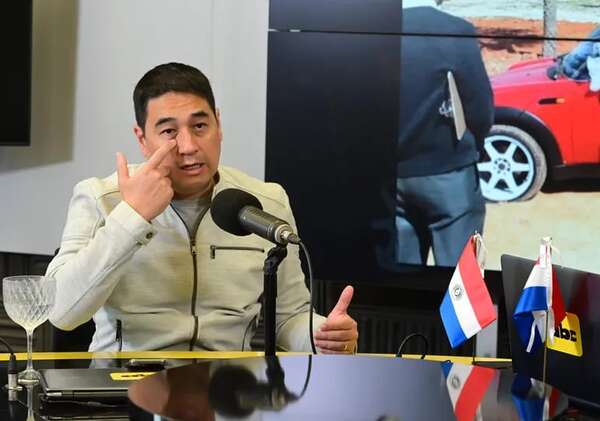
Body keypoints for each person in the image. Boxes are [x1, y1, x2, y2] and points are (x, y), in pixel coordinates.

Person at [46, 62, 358, 353]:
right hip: (124, 380)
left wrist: (323, 335)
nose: (189, 146)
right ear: (142, 139)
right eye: (169, 132)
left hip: (227, 383)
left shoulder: (267, 202)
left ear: (218, 125)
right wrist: (133, 216)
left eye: (199, 126)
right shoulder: (99, 198)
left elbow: (289, 318)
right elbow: (61, 312)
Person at [395, 6, 494, 267]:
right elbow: (480, 107)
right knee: (460, 281)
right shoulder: (452, 29)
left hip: (387, 177)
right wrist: (477, 145)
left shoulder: (368, 28)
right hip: (448, 173)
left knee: (399, 280)